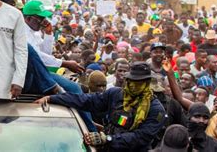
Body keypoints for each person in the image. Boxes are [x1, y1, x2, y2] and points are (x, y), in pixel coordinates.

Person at [36, 62, 166, 151]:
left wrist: (107, 139)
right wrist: (53, 98)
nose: (132, 85)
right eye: (131, 80)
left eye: (138, 82)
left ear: (147, 83)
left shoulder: (156, 109)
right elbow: (85, 101)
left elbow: (140, 138)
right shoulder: (115, 94)